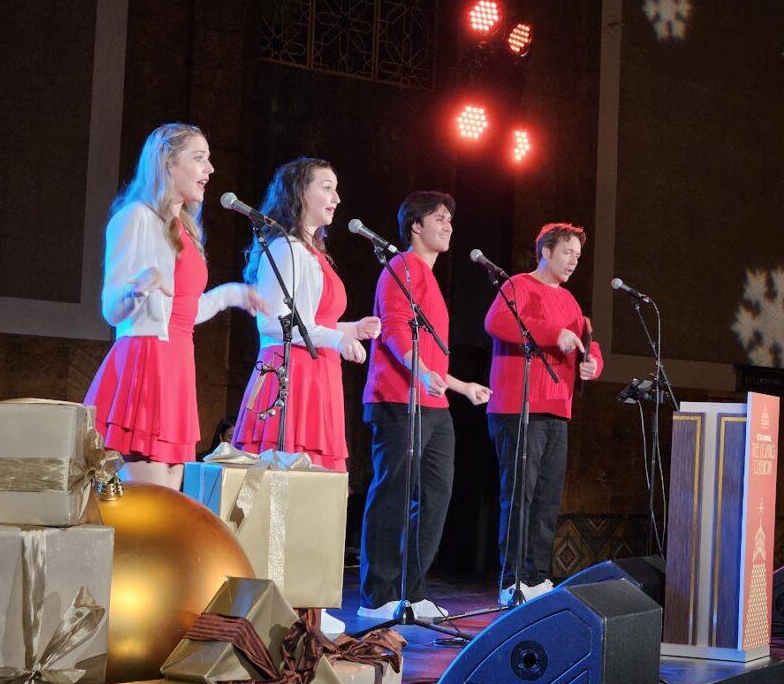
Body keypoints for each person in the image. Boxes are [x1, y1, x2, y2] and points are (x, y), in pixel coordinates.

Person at [85, 123, 266, 489]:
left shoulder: (186, 228)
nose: (209, 169)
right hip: (145, 363)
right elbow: (111, 309)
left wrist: (234, 294)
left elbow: (185, 312)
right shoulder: (136, 216)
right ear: (169, 162)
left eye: (209, 160)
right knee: (149, 502)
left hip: (177, 364)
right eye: (199, 159)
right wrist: (136, 289)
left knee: (169, 502)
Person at [357, 191, 492, 620]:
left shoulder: (429, 278)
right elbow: (395, 331)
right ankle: (377, 596)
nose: (448, 225)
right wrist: (421, 372)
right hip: (397, 400)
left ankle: (412, 591)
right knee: (393, 494)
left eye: (450, 218)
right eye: (439, 218)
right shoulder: (401, 267)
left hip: (433, 404)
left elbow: (433, 359)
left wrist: (461, 386)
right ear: (416, 225)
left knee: (436, 496)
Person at [484, 222, 603, 604]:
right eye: (567, 253)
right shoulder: (518, 285)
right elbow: (497, 322)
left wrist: (593, 363)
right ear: (546, 252)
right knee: (520, 495)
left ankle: (535, 576)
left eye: (578, 256)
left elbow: (588, 343)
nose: (574, 261)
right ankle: (513, 580)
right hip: (519, 407)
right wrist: (553, 333)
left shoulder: (570, 301)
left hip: (557, 409)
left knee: (548, 498)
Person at [232, 157, 378, 469]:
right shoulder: (286, 247)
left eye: (335, 189)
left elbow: (311, 320)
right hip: (291, 375)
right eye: (327, 188)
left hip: (318, 374)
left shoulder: (312, 253)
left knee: (315, 485)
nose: (336, 198)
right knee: (286, 482)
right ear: (300, 193)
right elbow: (273, 322)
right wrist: (337, 339)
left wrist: (351, 329)